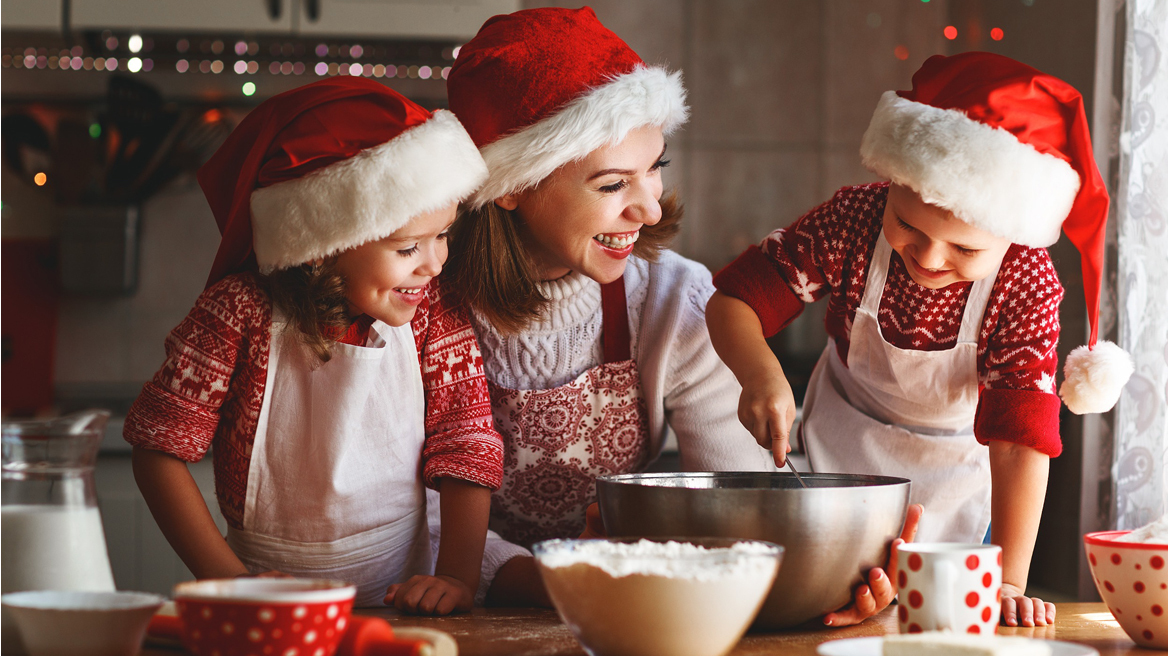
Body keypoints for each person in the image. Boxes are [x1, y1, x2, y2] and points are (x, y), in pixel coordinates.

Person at [439, 7, 919, 626]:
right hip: (456, 615)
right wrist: (545, 579)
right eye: (612, 184)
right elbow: (401, 521)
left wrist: (826, 575)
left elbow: (743, 502)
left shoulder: (675, 303)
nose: (647, 207)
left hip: (627, 611)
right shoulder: (423, 306)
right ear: (511, 184)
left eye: (655, 168)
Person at [707, 52, 1133, 627]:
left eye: (965, 249)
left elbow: (1017, 443)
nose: (928, 258)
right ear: (892, 184)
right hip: (840, 446)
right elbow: (736, 301)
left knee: (934, 623)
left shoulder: (1026, 282)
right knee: (836, 607)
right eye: (908, 225)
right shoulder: (854, 219)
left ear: (1011, 236)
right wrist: (759, 372)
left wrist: (1008, 583)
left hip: (958, 466)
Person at [124, 77, 503, 615]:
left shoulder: (433, 315)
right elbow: (158, 449)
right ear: (323, 248)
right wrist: (232, 585)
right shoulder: (237, 314)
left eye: (443, 235)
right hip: (267, 615)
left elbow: (467, 443)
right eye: (407, 248)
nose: (435, 263)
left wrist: (457, 579)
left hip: (406, 607)